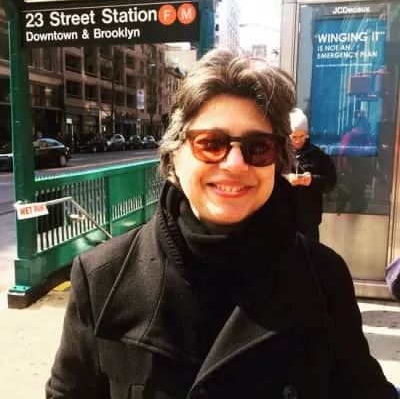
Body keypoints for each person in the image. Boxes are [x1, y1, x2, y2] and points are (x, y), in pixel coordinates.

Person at [46, 48, 397, 398]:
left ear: (277, 162)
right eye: (211, 143)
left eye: (258, 147)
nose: (234, 164)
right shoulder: (103, 277)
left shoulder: (323, 276)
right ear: (173, 156)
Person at [286, 108, 337, 241]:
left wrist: (312, 180)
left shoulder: (318, 155)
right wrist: (287, 179)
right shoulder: (280, 154)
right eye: (294, 137)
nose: (298, 141)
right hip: (284, 221)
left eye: (302, 136)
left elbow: (331, 181)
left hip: (309, 224)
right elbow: (267, 179)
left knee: (310, 253)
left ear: (307, 134)